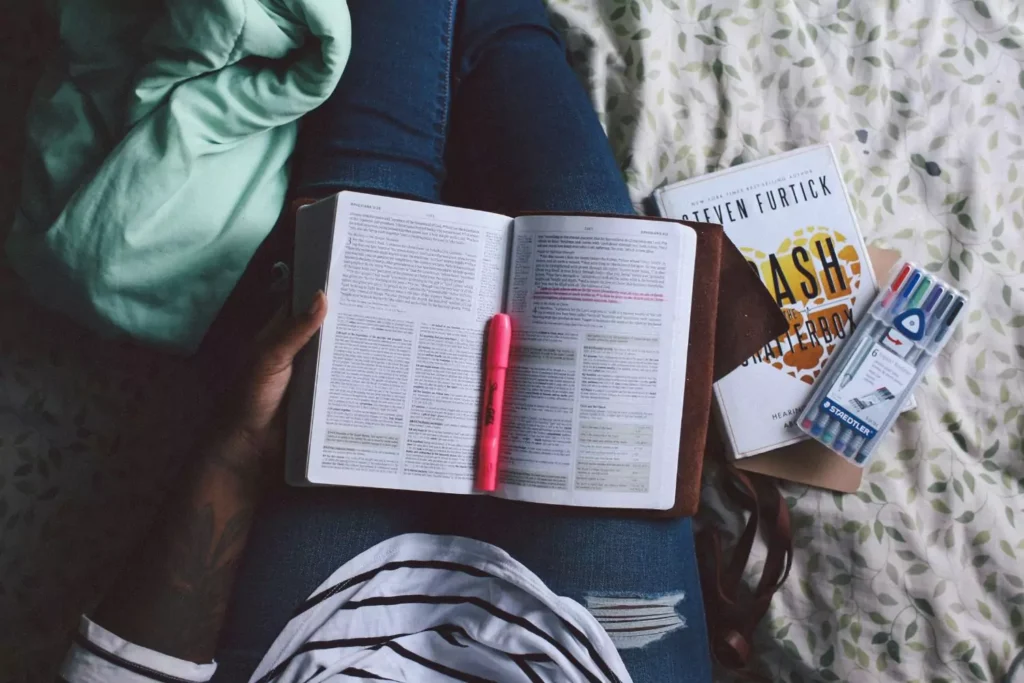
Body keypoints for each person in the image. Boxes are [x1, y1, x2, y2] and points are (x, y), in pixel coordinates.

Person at [60, 1, 712, 681]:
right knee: (567, 196)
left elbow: (126, 666)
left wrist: (238, 444)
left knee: (369, 188)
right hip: (588, 659)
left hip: (316, 646)